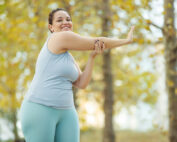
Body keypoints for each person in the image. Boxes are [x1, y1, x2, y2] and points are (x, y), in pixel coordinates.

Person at [19, 8, 134, 142]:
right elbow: (96, 42)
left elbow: (81, 83)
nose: (65, 22)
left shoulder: (68, 57)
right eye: (59, 20)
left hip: (67, 111)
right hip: (40, 108)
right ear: (51, 27)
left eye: (68, 19)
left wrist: (92, 57)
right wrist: (125, 41)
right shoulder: (58, 37)